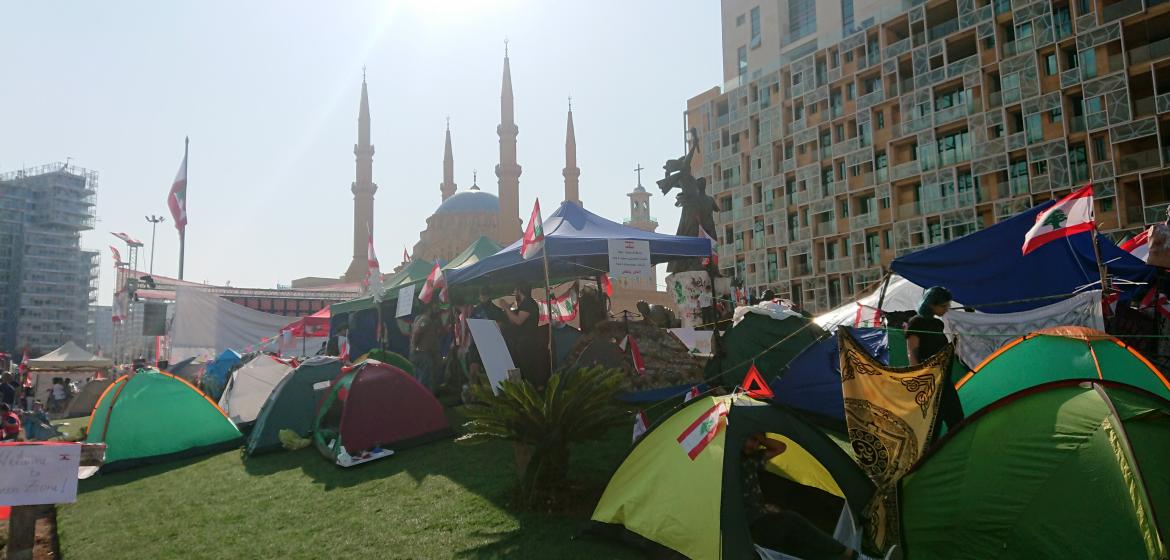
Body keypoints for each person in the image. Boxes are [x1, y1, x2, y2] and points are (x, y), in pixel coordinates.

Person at [742, 432, 870, 559]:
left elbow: (780, 447)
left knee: (798, 541)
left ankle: (849, 556)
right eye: (752, 440)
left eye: (758, 443)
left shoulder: (753, 459)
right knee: (792, 521)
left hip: (763, 517)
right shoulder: (733, 463)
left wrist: (760, 439)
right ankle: (853, 556)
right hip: (751, 525)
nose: (755, 445)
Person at [905, 286, 964, 434]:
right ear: (932, 304)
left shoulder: (938, 324)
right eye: (944, 305)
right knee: (932, 424)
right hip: (928, 381)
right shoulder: (916, 323)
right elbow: (911, 352)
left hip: (944, 379)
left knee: (957, 419)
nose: (947, 308)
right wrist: (918, 379)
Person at [504, 283, 548, 388]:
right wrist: (508, 311)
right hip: (521, 343)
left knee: (528, 370)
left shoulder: (528, 304)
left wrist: (506, 308)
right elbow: (514, 320)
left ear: (520, 291)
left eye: (515, 291)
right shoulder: (524, 304)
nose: (515, 294)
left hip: (528, 343)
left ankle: (532, 390)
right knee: (520, 369)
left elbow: (519, 321)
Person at [410, 302, 443, 393]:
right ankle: (424, 397)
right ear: (429, 309)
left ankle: (423, 396)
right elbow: (417, 332)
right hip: (421, 353)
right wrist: (414, 347)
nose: (435, 309)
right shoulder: (425, 319)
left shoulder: (424, 319)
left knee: (423, 376)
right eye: (433, 307)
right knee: (426, 377)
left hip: (423, 353)